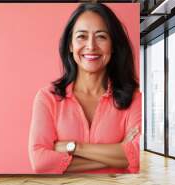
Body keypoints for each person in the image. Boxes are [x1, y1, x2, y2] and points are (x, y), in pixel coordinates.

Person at [28, 3, 141, 174]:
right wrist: (121, 155)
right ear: (71, 45)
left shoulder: (134, 99)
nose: (91, 46)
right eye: (81, 36)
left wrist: (73, 147)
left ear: (113, 45)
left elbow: (139, 156)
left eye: (101, 36)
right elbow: (41, 162)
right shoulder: (48, 97)